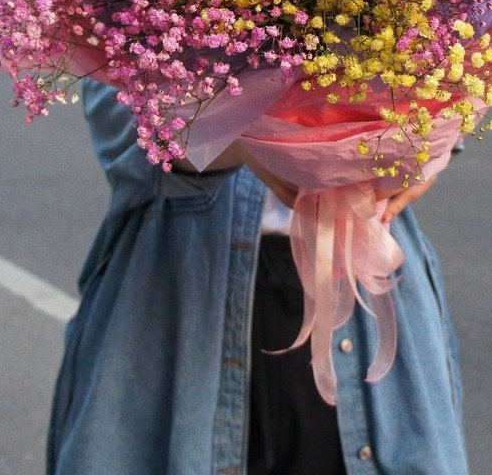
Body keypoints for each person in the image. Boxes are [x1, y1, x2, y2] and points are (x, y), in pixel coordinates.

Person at [47, 78, 470, 474]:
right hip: (185, 291)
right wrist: (242, 138)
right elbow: (120, 120)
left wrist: (437, 135)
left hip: (361, 266)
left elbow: (457, 61)